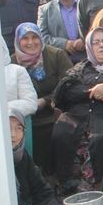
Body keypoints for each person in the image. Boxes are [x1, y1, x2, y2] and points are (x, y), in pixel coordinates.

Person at [51, 27, 103, 192]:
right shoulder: (82, 67)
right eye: (96, 43)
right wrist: (95, 92)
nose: (102, 45)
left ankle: (99, 185)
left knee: (100, 138)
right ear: (89, 47)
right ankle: (67, 183)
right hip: (80, 114)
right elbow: (65, 89)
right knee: (61, 132)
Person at [11, 23, 73, 175]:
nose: (31, 42)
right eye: (25, 38)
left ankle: (59, 176)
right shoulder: (12, 63)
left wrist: (45, 101)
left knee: (58, 133)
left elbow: (70, 85)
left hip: (55, 113)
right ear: (18, 41)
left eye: (35, 37)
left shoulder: (56, 55)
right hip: (26, 118)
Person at [39, 0, 86, 64]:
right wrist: (64, 44)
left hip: (86, 61)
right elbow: (42, 37)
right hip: (58, 64)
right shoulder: (44, 10)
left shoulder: (85, 5)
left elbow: (95, 29)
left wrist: (84, 40)